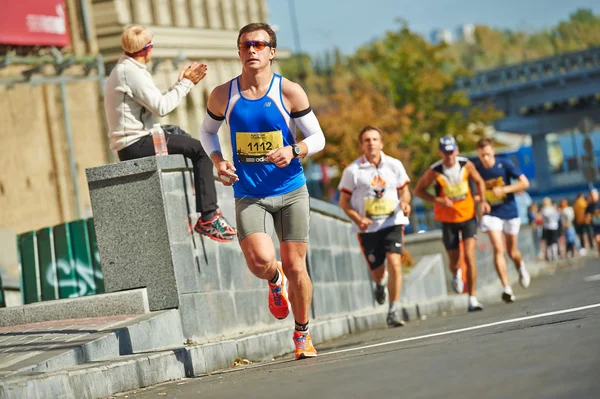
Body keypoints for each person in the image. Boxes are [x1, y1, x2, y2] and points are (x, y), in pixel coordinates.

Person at [198, 23, 325, 359]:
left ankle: (302, 334)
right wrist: (218, 160)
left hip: (290, 188)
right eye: (245, 45)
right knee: (260, 261)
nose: (251, 50)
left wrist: (295, 150)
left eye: (258, 44)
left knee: (297, 266)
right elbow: (207, 132)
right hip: (249, 192)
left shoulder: (290, 92)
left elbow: (319, 138)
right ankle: (273, 279)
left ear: (271, 51)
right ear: (239, 51)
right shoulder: (223, 95)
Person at [104, 26, 236, 242]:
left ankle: (195, 201)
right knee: (201, 149)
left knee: (179, 135)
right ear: (148, 50)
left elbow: (155, 106)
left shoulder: (126, 68)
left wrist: (180, 83)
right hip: (135, 145)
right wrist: (186, 83)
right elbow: (162, 107)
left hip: (136, 139)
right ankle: (209, 217)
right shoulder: (131, 73)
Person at [338, 126, 411, 328]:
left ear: (381, 143)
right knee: (378, 272)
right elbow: (344, 202)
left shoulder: (394, 165)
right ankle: (380, 284)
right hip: (367, 228)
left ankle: (393, 309)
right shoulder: (352, 171)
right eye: (367, 140)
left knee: (395, 262)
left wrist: (405, 203)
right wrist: (357, 218)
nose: (371, 143)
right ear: (361, 145)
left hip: (392, 222)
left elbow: (404, 191)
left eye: (375, 139)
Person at [414, 136, 490, 312]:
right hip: (448, 220)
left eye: (451, 152)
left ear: (456, 150)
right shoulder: (435, 170)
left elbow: (479, 181)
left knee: (469, 257)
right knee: (455, 261)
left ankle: (472, 298)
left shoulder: (466, 165)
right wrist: (437, 200)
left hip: (468, 215)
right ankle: (456, 274)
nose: (449, 156)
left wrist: (482, 199)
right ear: (440, 153)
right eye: (445, 152)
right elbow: (418, 191)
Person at [473, 138, 531, 303]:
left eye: (488, 154)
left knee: (513, 252)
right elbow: (475, 192)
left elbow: (524, 183)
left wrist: (504, 189)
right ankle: (507, 288)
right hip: (492, 214)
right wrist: (480, 199)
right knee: (498, 248)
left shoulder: (504, 164)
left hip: (510, 212)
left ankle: (520, 267)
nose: (485, 158)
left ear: (493, 151)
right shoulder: (476, 169)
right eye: (482, 155)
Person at [584, 188, 600, 256]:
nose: (593, 197)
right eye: (591, 195)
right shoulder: (589, 206)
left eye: (594, 195)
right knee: (597, 240)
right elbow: (586, 216)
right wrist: (588, 217)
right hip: (595, 226)